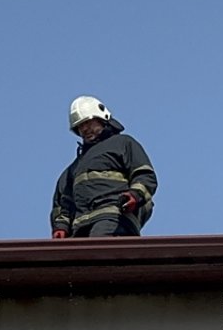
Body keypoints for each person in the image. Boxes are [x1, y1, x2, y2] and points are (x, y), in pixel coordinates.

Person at [50, 96, 157, 238]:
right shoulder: (72, 170)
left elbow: (144, 175)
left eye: (88, 122)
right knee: (80, 257)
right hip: (80, 227)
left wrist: (135, 195)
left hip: (114, 217)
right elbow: (63, 202)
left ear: (101, 118)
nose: (85, 129)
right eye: (80, 126)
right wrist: (61, 227)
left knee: (97, 252)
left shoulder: (123, 143)